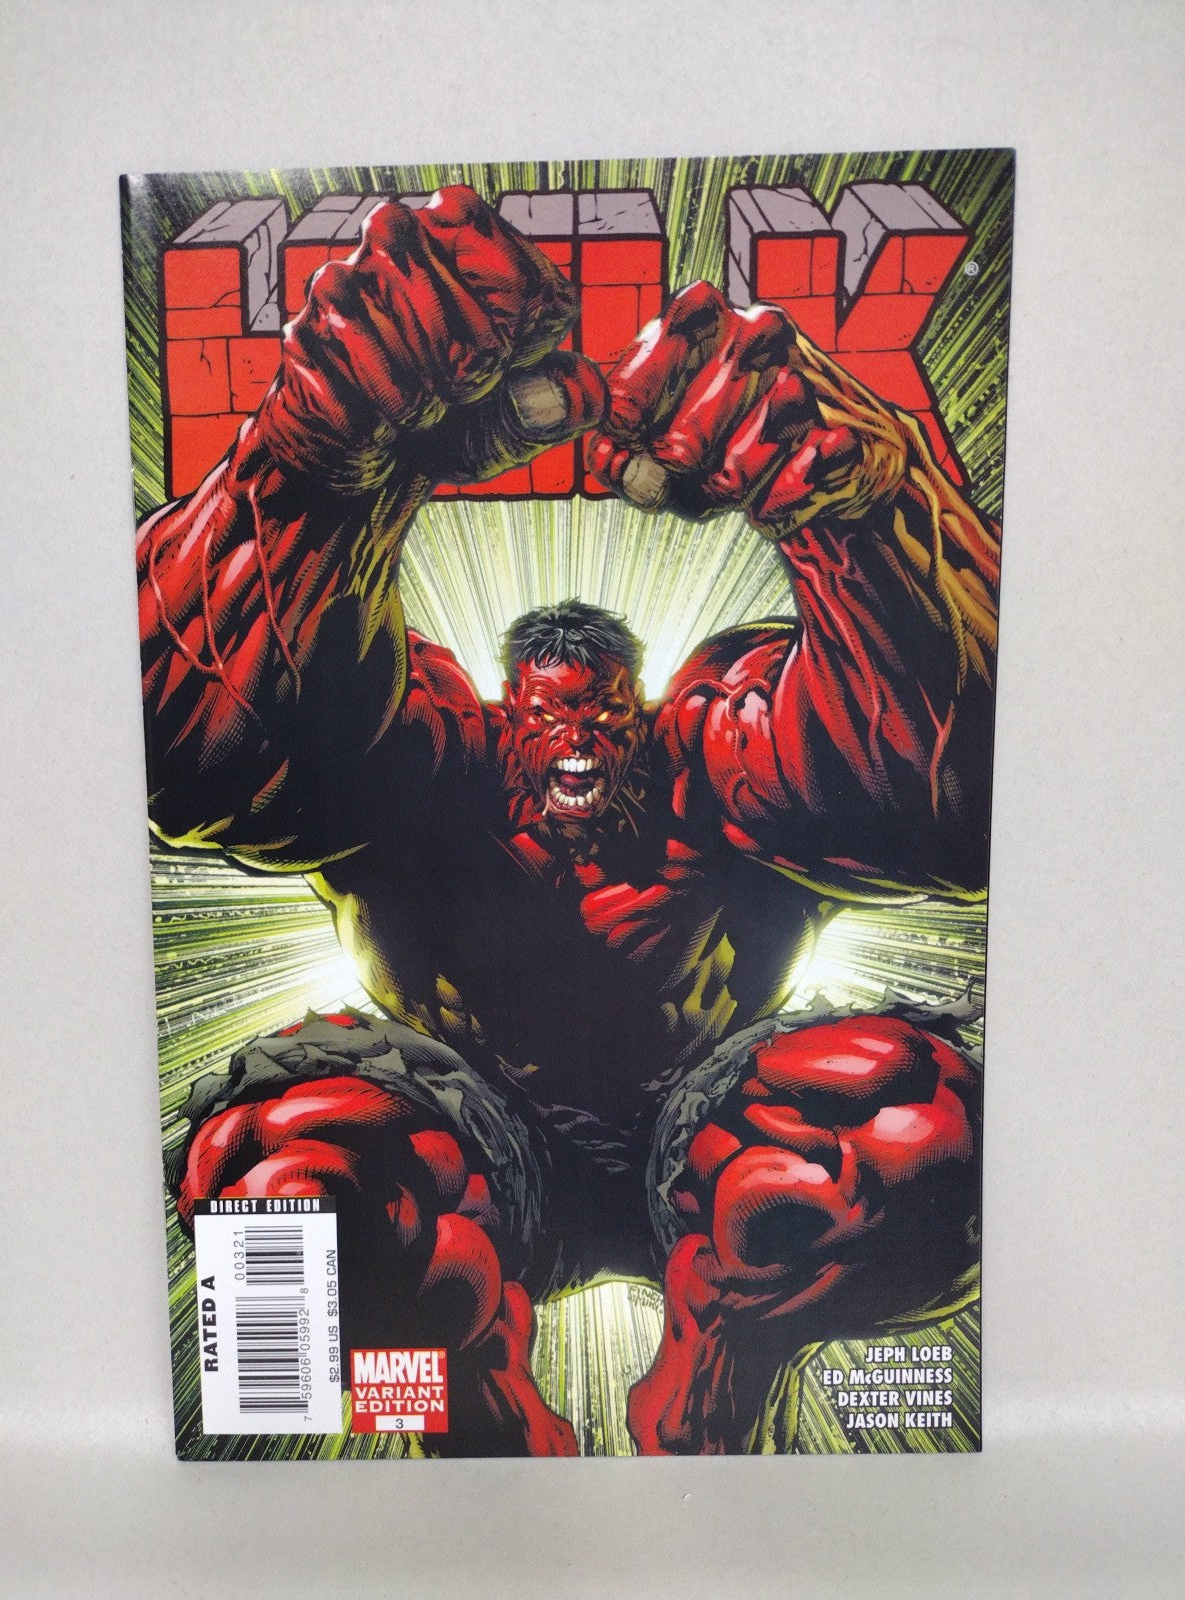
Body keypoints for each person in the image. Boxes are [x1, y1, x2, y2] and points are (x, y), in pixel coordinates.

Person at [142, 187, 998, 1454]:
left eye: (602, 715)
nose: (580, 743)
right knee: (276, 1176)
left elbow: (956, 798)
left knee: (909, 1123)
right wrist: (308, 474)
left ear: (638, 706)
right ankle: (472, 1422)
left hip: (711, 1160)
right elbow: (198, 756)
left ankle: (721, 1374)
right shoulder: (439, 764)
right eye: (553, 718)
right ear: (511, 711)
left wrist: (868, 514)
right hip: (463, 1149)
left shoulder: (709, 756)